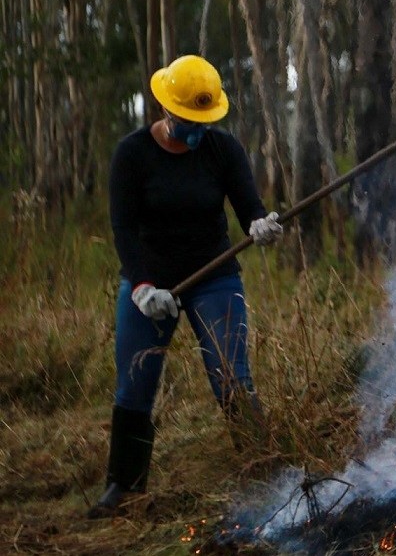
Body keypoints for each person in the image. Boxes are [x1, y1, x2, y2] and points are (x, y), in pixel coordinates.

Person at [88, 55, 284, 518]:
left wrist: (261, 225)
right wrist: (142, 288)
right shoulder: (132, 155)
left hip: (213, 276)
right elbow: (123, 229)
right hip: (149, 280)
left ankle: (267, 471)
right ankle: (124, 485)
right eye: (188, 121)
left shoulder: (223, 149)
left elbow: (249, 206)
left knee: (232, 376)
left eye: (204, 121)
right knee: (136, 384)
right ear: (166, 110)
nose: (196, 130)